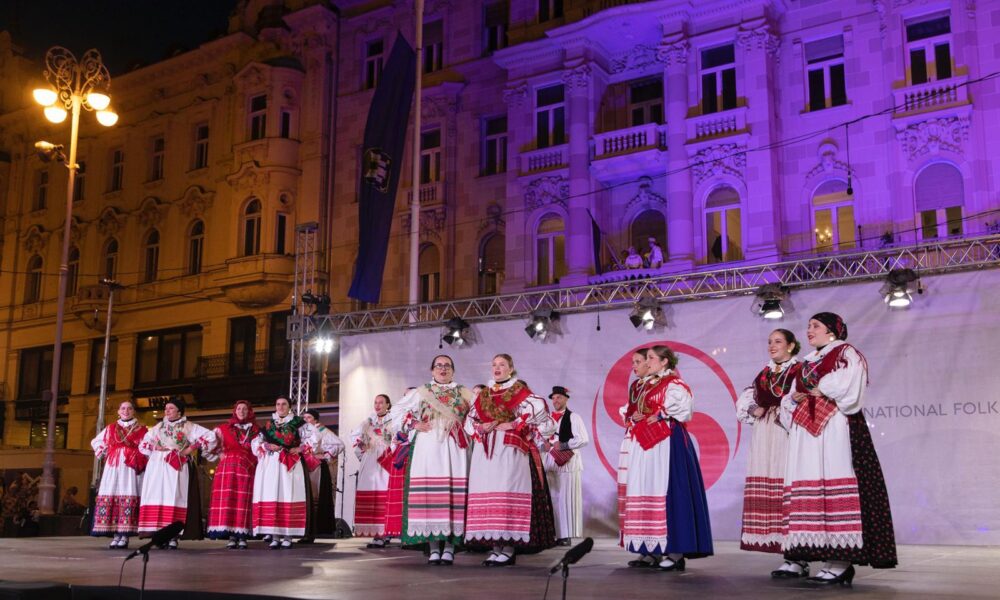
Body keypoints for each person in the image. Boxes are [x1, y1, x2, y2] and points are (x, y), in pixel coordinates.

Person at [780, 313, 897, 586]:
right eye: (808, 326)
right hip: (808, 432)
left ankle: (842, 561)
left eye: (816, 326)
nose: (809, 331)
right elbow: (793, 395)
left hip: (835, 427)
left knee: (835, 477)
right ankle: (827, 557)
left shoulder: (845, 353)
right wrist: (801, 395)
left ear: (832, 330)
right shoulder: (808, 362)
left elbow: (846, 385)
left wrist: (816, 389)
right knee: (814, 486)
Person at [622, 345, 713, 571]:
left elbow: (684, 410)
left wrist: (659, 413)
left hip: (667, 443)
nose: (648, 361)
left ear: (664, 362)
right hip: (646, 444)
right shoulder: (643, 386)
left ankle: (675, 550)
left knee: (670, 490)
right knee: (647, 488)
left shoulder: (673, 384)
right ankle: (651, 548)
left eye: (652, 358)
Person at [464, 354, 557, 567]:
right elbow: (469, 420)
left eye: (502, 365)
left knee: (506, 491)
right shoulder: (484, 394)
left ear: (511, 368)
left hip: (509, 448)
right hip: (486, 449)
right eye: (494, 365)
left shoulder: (519, 392)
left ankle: (509, 548)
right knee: (488, 490)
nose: (497, 368)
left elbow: (539, 411)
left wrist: (514, 424)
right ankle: (495, 546)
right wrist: (480, 427)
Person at [390, 356, 473, 565]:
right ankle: (434, 547)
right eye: (439, 366)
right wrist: (413, 423)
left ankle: (451, 547)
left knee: (453, 494)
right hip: (427, 444)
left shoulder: (464, 392)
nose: (443, 369)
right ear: (431, 370)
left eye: (447, 366)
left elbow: (476, 416)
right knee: (428, 494)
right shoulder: (422, 391)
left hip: (454, 446)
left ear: (453, 370)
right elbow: (397, 411)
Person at [736, 330, 804, 576]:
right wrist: (754, 408)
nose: (772, 346)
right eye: (769, 342)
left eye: (778, 342)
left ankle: (798, 554)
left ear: (791, 346)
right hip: (766, 433)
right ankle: (788, 554)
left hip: (787, 430)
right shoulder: (764, 373)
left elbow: (804, 399)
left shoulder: (799, 370)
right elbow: (748, 399)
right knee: (772, 486)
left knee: (790, 486)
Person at [137, 398, 214, 548]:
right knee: (158, 496)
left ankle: (173, 535)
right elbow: (144, 443)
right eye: (166, 408)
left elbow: (210, 436)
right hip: (158, 465)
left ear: (179, 411)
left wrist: (190, 449)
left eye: (171, 408)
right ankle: (160, 533)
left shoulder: (188, 426)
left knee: (175, 496)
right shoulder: (159, 426)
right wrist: (154, 447)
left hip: (176, 464)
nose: (167, 411)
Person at [251, 396, 310, 549]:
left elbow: (314, 438)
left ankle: (288, 536)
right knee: (272, 495)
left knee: (288, 495)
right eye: (278, 404)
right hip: (271, 464)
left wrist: (301, 448)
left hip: (289, 463)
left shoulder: (299, 422)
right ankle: (275, 535)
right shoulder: (270, 424)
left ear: (289, 406)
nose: (280, 407)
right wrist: (268, 446)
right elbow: (257, 442)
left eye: (284, 404)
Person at [91, 400, 148, 548]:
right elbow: (96, 441)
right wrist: (103, 450)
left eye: (129, 408)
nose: (126, 411)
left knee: (127, 493)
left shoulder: (142, 430)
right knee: (113, 493)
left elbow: (148, 446)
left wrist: (139, 454)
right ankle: (116, 534)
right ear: (118, 411)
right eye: (123, 408)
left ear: (134, 411)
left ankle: (125, 535)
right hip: (113, 466)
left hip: (130, 467)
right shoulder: (111, 428)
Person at [205, 400, 259, 549]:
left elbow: (260, 449)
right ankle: (231, 535)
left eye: (245, 409)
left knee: (243, 501)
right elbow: (208, 445)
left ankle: (242, 536)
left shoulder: (255, 430)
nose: (242, 411)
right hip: (227, 469)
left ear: (249, 412)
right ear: (235, 411)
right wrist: (220, 453)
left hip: (247, 468)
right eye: (239, 408)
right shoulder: (223, 429)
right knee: (229, 500)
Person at [542, 386, 589, 547]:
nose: (556, 401)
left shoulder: (574, 417)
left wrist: (562, 445)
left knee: (566, 498)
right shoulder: (547, 418)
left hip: (568, 463)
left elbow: (583, 439)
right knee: (553, 498)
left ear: (566, 399)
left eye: (559, 397)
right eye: (553, 398)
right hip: (550, 462)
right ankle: (555, 533)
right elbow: (539, 438)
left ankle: (566, 535)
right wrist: (544, 446)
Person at [350, 394, 394, 547]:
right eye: (375, 402)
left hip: (386, 459)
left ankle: (387, 532)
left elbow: (400, 437)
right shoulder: (368, 421)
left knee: (385, 494)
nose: (378, 405)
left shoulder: (394, 419)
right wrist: (362, 447)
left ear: (388, 404)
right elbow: (355, 437)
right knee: (371, 493)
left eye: (381, 402)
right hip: (370, 460)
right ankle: (376, 533)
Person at [618, 349, 650, 546]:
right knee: (633, 488)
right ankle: (641, 546)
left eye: (638, 361)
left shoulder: (661, 385)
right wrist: (631, 417)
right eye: (633, 362)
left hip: (648, 440)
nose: (634, 366)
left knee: (645, 486)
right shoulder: (635, 386)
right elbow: (629, 410)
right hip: (632, 438)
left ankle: (654, 546)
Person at [299, 408, 345, 542]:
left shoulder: (321, 430)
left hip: (316, 466)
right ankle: (304, 530)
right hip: (303, 465)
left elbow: (339, 444)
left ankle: (313, 532)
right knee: (305, 498)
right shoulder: (302, 432)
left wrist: (325, 455)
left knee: (315, 498)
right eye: (304, 418)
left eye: (309, 418)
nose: (306, 420)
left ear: (315, 420)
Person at [383, 388, 416, 545]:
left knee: (413, 495)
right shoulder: (398, 415)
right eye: (406, 395)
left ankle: (413, 532)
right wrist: (396, 441)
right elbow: (394, 436)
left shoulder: (421, 413)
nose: (408, 398)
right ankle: (396, 530)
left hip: (415, 456)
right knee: (398, 496)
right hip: (401, 458)